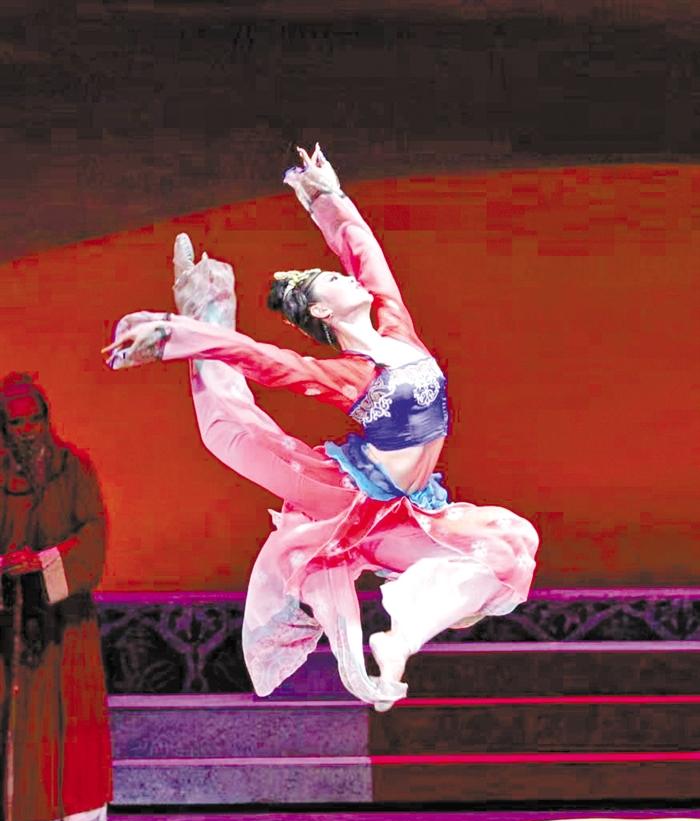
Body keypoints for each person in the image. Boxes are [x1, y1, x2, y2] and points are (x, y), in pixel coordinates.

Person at [105, 145, 539, 710]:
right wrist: (172, 334)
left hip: (410, 510)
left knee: (510, 550)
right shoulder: (351, 376)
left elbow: (367, 258)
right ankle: (203, 310)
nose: (346, 278)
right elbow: (263, 359)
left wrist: (326, 198)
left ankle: (398, 641)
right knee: (232, 430)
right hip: (348, 494)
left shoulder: (398, 332)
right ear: (323, 313)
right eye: (331, 281)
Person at [0, 373, 112, 821]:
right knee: (24, 718)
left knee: (75, 711)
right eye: (15, 423)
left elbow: (93, 532)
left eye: (33, 420)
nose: (27, 431)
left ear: (46, 419)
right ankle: (30, 818)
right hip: (11, 620)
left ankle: (79, 818)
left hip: (66, 618)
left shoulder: (73, 468)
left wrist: (45, 562)